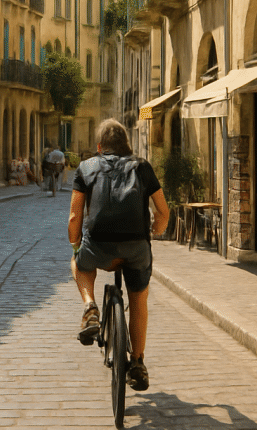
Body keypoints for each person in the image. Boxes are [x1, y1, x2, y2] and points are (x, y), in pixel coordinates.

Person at [69, 118, 169, 392]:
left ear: (99, 146)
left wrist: (75, 244)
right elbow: (163, 212)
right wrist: (156, 230)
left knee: (78, 264)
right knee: (138, 298)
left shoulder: (86, 168)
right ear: (126, 145)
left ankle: (90, 307)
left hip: (98, 246)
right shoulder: (143, 167)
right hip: (136, 248)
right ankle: (137, 362)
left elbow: (75, 216)